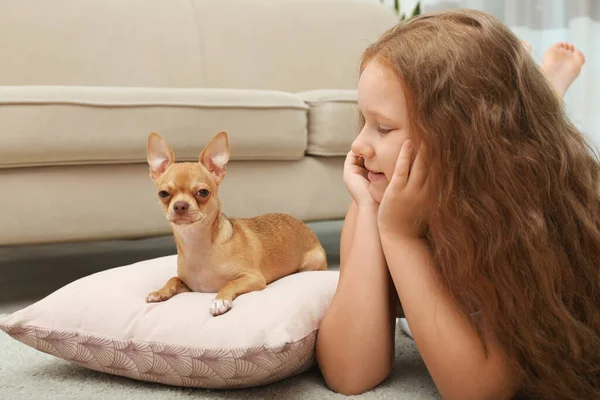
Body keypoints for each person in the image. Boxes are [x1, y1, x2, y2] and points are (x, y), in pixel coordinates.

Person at [315, 9, 598, 400]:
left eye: (382, 127)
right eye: (363, 120)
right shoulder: (379, 200)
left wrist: (402, 237)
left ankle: (547, 88)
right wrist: (368, 213)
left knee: (533, 140)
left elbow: (479, 391)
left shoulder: (517, 219)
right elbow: (350, 375)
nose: (358, 145)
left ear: (458, 138)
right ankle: (541, 87)